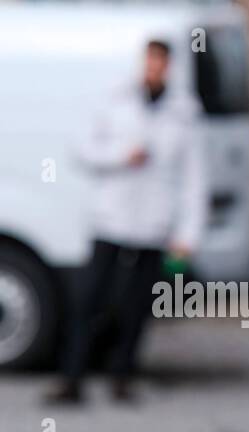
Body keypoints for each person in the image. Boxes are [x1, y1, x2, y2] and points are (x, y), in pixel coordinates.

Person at [47, 38, 205, 404]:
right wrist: (121, 155)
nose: (154, 69)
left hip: (153, 221)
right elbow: (82, 148)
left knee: (136, 305)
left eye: (160, 63)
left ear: (168, 67)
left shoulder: (184, 112)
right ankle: (72, 377)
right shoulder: (114, 99)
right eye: (149, 62)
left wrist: (187, 232)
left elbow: (195, 177)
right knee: (89, 298)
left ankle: (122, 376)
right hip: (112, 216)